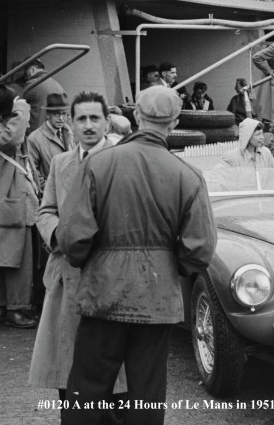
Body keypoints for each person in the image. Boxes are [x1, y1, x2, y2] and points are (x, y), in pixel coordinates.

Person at [56, 86, 216, 425]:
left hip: (103, 292)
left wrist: (91, 263)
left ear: (136, 117)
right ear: (174, 122)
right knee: (147, 393)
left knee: (87, 388)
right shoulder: (188, 176)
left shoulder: (98, 165)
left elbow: (72, 238)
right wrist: (171, 267)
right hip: (156, 299)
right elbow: (199, 247)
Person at [29, 91, 126, 403]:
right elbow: (45, 210)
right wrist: (59, 236)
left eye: (94, 118)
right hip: (67, 274)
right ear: (71, 122)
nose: (88, 125)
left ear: (106, 122)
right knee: (67, 371)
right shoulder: (60, 163)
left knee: (110, 373)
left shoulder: (123, 160)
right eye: (81, 118)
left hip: (110, 275)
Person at [0, 85, 40, 329]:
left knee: (7, 259)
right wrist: (21, 108)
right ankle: (16, 309)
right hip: (12, 205)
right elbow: (14, 137)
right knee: (19, 261)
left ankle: (4, 306)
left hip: (9, 204)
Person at [27, 93, 74, 189]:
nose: (61, 118)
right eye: (57, 114)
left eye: (64, 114)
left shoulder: (68, 131)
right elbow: (33, 172)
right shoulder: (34, 139)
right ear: (48, 115)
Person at [23, 59, 67, 135]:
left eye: (27, 73)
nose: (27, 77)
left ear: (32, 69)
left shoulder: (31, 85)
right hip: (54, 136)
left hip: (35, 137)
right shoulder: (59, 86)